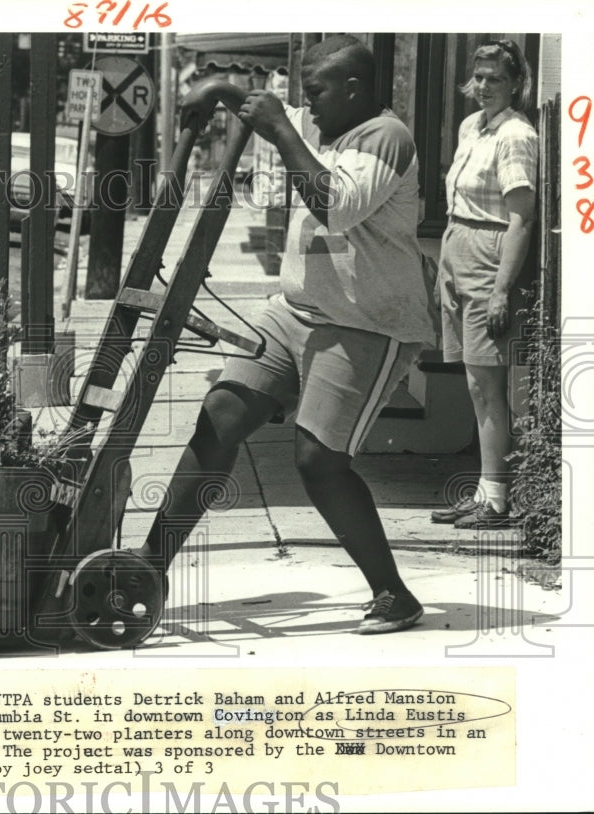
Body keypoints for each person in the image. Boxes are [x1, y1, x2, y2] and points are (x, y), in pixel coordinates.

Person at [135, 35, 437, 634]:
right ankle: (149, 567)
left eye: (317, 93)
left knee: (319, 459)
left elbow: (336, 205)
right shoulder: (322, 119)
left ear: (353, 89)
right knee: (220, 414)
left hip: (367, 323)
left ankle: (393, 595)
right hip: (297, 310)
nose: (309, 106)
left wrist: (282, 130)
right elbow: (253, 102)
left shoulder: (385, 136)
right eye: (305, 96)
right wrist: (214, 91)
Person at [430, 39, 537, 530]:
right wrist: (445, 270)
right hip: (459, 250)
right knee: (474, 383)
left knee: (486, 383)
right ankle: (482, 491)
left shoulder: (516, 135)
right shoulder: (472, 127)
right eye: (479, 77)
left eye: (496, 78)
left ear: (516, 83)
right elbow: (458, 202)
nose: (484, 86)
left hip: (490, 256)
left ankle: (496, 499)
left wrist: (500, 289)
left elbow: (521, 218)